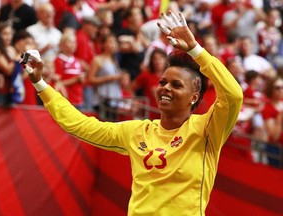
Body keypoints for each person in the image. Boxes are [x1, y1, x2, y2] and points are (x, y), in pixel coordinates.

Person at [22, 10, 243, 215]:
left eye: (177, 85)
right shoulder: (137, 131)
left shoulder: (207, 129)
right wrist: (41, 84)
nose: (165, 88)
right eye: (163, 82)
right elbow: (79, 125)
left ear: (194, 97)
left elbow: (233, 95)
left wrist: (196, 50)